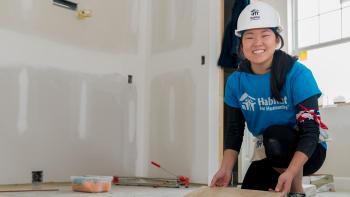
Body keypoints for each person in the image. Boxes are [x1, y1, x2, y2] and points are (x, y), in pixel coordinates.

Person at [210, 1, 327, 197]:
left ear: (277, 40)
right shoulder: (236, 82)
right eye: (249, 37)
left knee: (277, 135)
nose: (257, 43)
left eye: (265, 35)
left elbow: (310, 132)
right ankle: (283, 177)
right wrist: (225, 169)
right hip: (270, 149)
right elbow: (234, 130)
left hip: (309, 150)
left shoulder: (298, 74)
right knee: (249, 191)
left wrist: (290, 173)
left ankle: (297, 192)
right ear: (241, 43)